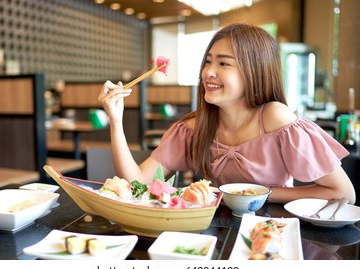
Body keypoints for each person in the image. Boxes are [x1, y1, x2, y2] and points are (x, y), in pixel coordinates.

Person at [98, 22, 356, 204]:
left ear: (254, 71)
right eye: (208, 61)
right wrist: (116, 120)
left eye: (224, 63)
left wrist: (252, 193)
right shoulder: (195, 126)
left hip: (273, 232)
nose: (209, 72)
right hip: (214, 235)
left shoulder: (276, 118)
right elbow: (136, 185)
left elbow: (343, 193)